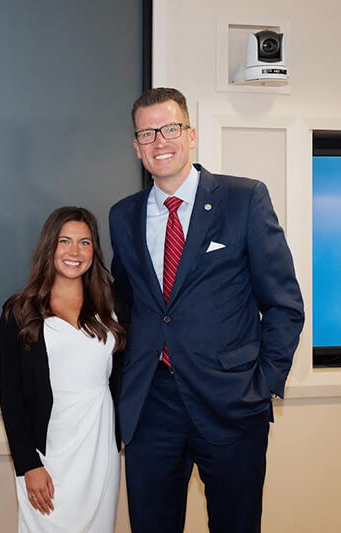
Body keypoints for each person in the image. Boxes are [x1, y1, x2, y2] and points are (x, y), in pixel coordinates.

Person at [109, 87, 304, 533]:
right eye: (147, 133)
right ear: (136, 147)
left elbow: (284, 303)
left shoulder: (244, 199)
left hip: (233, 404)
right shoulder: (122, 216)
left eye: (170, 128)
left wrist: (265, 383)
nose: (161, 141)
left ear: (190, 134)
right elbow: (125, 302)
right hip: (152, 406)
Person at [0, 206, 125, 533]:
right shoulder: (19, 311)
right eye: (65, 241)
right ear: (49, 247)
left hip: (99, 448)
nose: (74, 251)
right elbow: (11, 398)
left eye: (84, 243)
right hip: (48, 453)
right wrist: (29, 465)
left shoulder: (112, 305)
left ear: (94, 250)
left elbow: (122, 378)